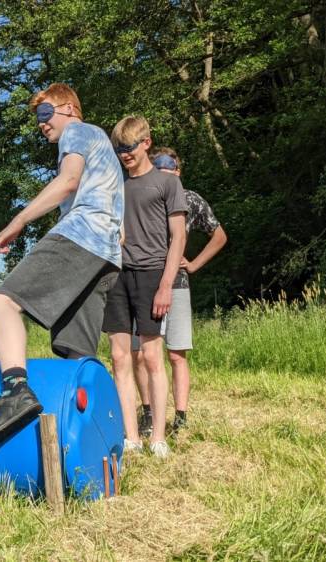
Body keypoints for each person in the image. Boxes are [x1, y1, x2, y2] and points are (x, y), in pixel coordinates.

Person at [0, 83, 124, 449]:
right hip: (106, 255)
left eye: (45, 112)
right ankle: (93, 443)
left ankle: (15, 392)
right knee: (77, 355)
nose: (41, 123)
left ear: (69, 107)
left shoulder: (77, 131)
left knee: (1, 302)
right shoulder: (103, 146)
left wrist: (18, 221)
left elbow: (68, 182)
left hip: (81, 236)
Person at [102, 117, 187, 458]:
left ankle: (159, 438)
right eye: (119, 149)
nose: (124, 154)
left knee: (152, 357)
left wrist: (166, 285)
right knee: (119, 357)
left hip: (152, 274)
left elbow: (178, 238)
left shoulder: (167, 183)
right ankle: (132, 438)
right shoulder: (115, 185)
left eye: (129, 147)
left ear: (146, 143)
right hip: (117, 275)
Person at [134, 147, 227, 438]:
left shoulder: (190, 199)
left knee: (176, 355)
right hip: (143, 281)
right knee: (142, 355)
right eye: (160, 169)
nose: (166, 174)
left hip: (177, 284)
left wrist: (194, 264)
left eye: (170, 169)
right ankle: (149, 414)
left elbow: (219, 235)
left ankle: (181, 419)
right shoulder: (142, 195)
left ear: (178, 171)